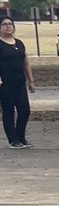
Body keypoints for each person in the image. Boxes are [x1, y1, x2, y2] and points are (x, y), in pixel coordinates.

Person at [0, 16, 35, 148]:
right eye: (4, 24)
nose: (8, 26)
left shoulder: (19, 43)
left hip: (20, 81)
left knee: (24, 110)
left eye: (10, 24)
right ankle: (13, 139)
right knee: (8, 111)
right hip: (5, 82)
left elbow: (26, 62)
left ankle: (21, 136)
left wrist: (31, 80)